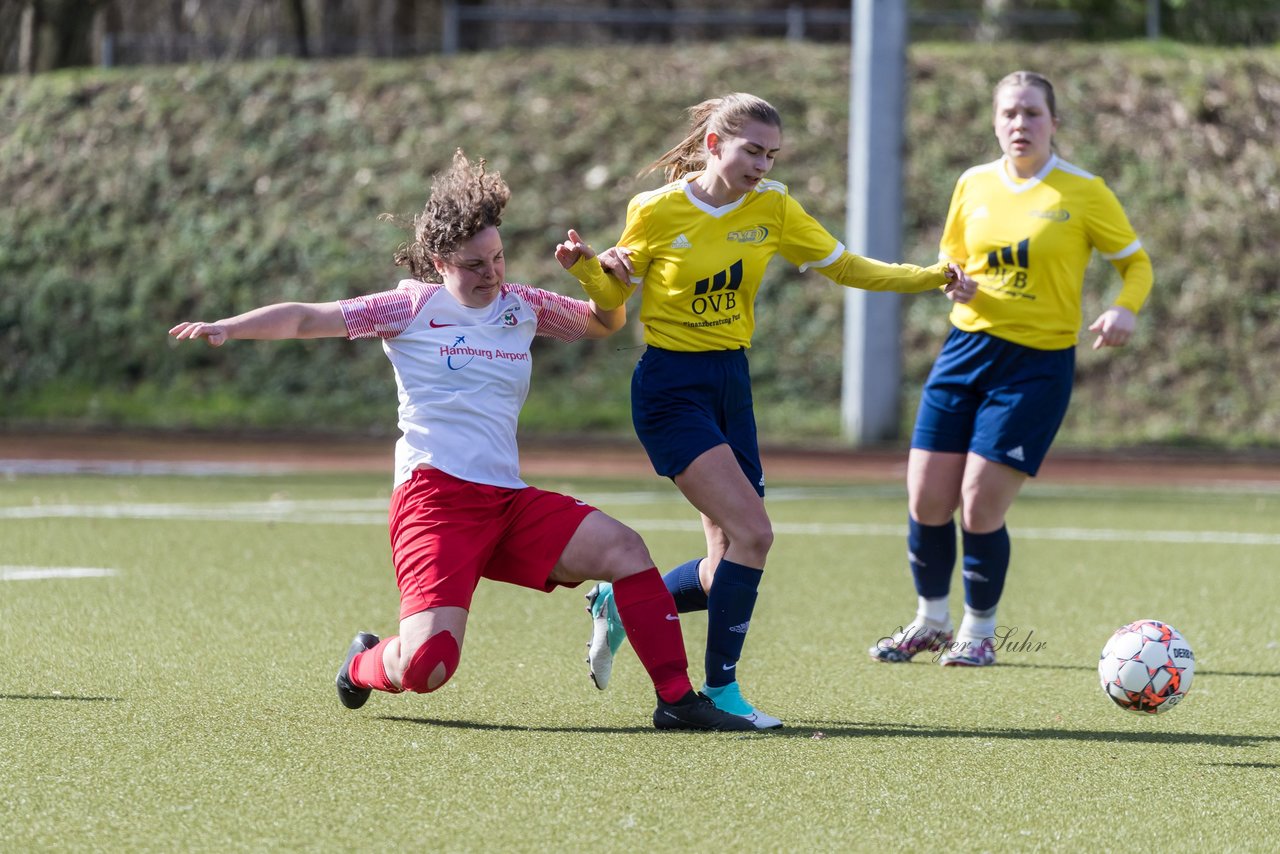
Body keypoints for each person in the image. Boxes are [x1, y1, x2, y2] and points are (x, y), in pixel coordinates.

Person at [169, 150, 757, 732]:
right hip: (435, 503)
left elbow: (603, 324)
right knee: (427, 667)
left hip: (505, 501)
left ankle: (678, 701)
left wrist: (601, 280)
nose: (492, 274)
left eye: (498, 258)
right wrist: (228, 327)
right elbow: (303, 318)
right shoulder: (409, 307)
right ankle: (361, 662)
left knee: (627, 553)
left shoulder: (521, 306)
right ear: (437, 260)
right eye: (475, 264)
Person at [560, 93, 977, 729]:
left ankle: (621, 604)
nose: (761, 164)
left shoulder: (774, 206)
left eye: (771, 153)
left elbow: (847, 267)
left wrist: (931, 276)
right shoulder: (656, 209)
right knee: (755, 534)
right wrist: (592, 269)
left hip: (732, 383)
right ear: (712, 145)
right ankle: (718, 693)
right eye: (751, 149)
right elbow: (616, 293)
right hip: (672, 389)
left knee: (725, 555)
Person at [868, 70, 1155, 667]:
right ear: (995, 122)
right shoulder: (973, 184)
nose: (1019, 124)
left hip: (1036, 365)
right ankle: (930, 621)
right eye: (1009, 114)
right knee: (925, 498)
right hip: (964, 352)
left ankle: (979, 630)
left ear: (1054, 122)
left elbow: (1136, 264)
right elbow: (952, 256)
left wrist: (1124, 309)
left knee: (979, 503)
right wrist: (957, 283)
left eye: (1032, 113)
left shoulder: (1083, 191)